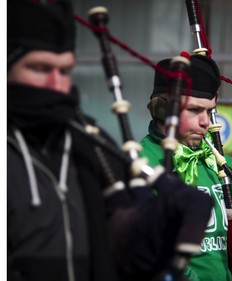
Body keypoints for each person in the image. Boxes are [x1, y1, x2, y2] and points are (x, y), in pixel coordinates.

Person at [7, 1, 213, 281]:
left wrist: (150, 238)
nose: (57, 84)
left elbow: (123, 263)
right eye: (40, 68)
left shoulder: (92, 144)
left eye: (65, 71)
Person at [140, 54, 232, 281]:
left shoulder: (219, 160)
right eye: (194, 110)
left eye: (210, 111)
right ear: (162, 109)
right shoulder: (140, 162)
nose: (206, 122)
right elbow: (149, 252)